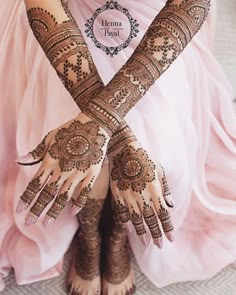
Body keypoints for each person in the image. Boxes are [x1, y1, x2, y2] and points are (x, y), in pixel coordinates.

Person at [0, 0, 236, 294]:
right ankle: (90, 237)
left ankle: (116, 234)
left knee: (159, 148)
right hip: (66, 19)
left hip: (158, 26)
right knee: (67, 144)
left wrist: (98, 122)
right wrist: (121, 142)